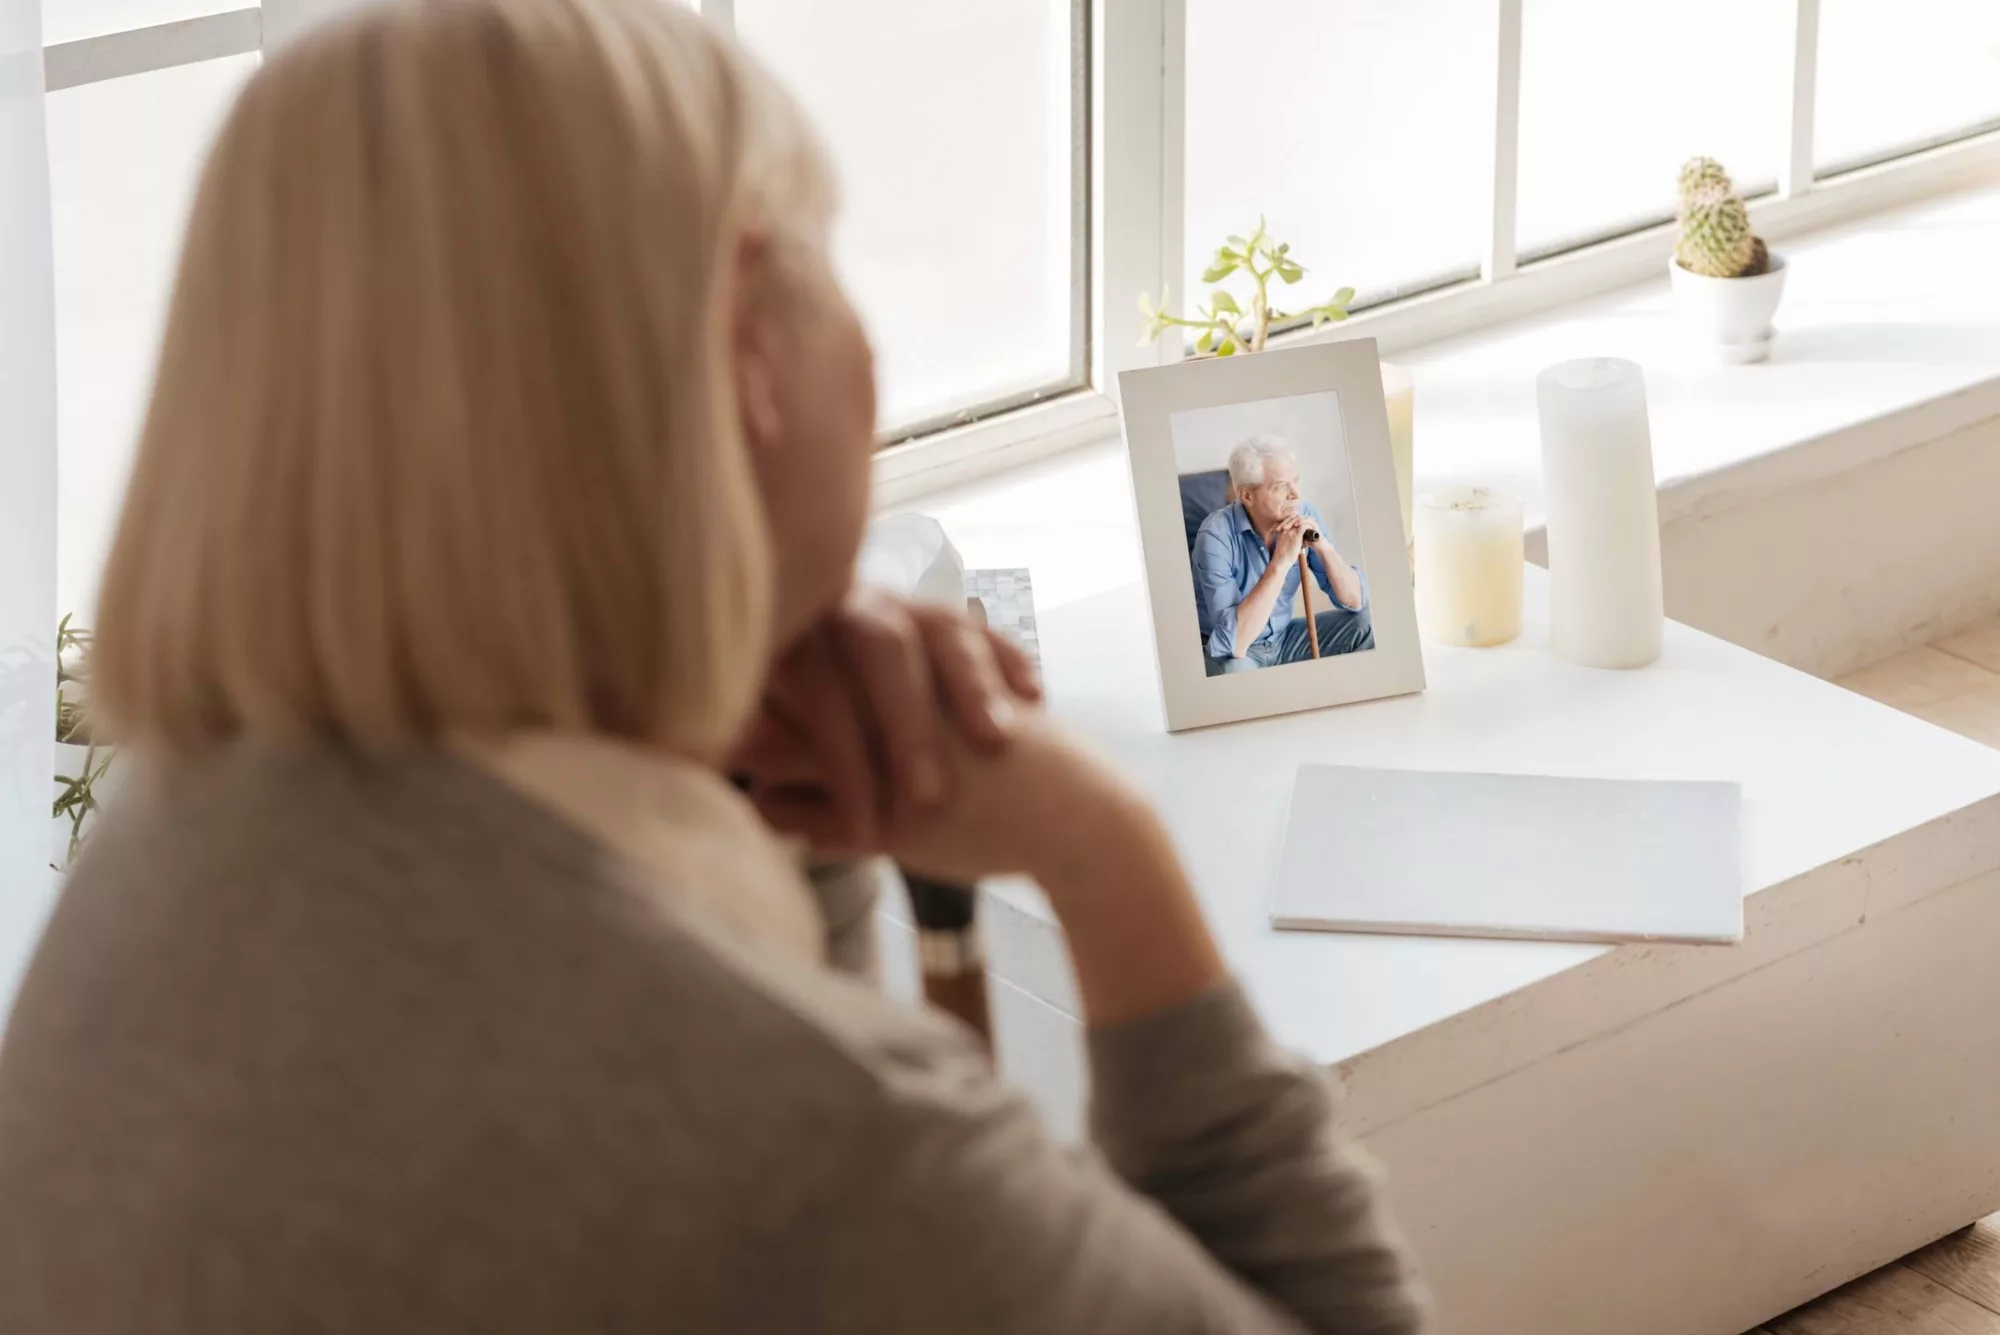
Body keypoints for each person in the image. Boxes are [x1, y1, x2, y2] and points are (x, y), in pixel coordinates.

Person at [0, 2, 1428, 1332]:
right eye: (829, 253)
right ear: (748, 338)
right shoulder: (793, 1129)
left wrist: (751, 725)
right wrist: (1101, 846)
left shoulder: (172, 843)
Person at [1193, 435, 1375, 675]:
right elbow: (1235, 643)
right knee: (1235, 672)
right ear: (1247, 496)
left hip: (1284, 637)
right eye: (1281, 486)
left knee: (1367, 624)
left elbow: (1355, 601)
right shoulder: (1215, 534)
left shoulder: (1305, 513)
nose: (1296, 494)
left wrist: (1324, 547)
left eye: (1295, 481)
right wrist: (1281, 562)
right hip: (1238, 650)